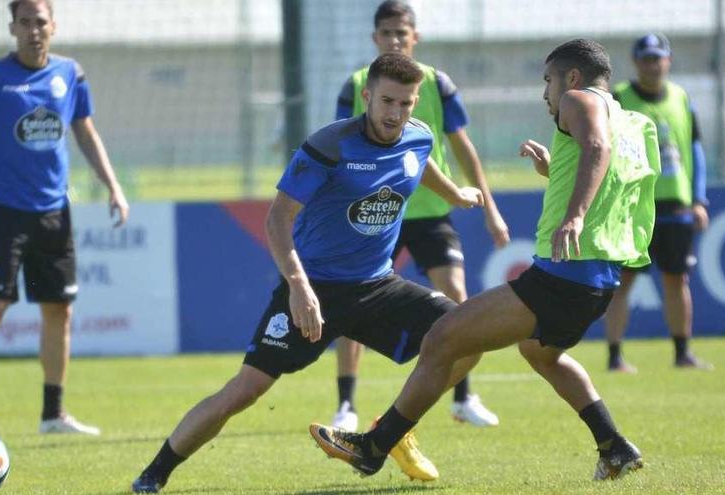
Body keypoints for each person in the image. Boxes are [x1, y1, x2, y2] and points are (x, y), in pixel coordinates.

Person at [131, 53, 486, 493]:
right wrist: (299, 287)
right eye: (388, 101)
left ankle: (384, 435)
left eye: (406, 104)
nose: (396, 114)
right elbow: (277, 219)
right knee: (245, 391)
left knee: (468, 336)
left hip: (378, 284)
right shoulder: (330, 145)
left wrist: (456, 193)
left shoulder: (418, 136)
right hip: (313, 286)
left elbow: (421, 162)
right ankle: (154, 473)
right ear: (367, 95)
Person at [311, 39, 659, 481]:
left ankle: (374, 447)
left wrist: (573, 215)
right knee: (541, 353)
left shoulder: (577, 99)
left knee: (442, 337)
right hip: (599, 276)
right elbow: (609, 172)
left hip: (566, 272)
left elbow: (595, 150)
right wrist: (557, 168)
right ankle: (614, 447)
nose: (546, 93)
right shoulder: (630, 120)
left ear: (571, 78)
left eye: (547, 81)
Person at [0, 0, 129, 436]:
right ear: (13, 28)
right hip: (6, 214)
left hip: (54, 215)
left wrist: (113, 187)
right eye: (24, 23)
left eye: (40, 22)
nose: (33, 30)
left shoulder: (70, 75)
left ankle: (53, 415)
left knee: (59, 312)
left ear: (53, 26)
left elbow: (86, 132)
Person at [331, 0, 508, 433]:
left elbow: (462, 146)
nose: (395, 39)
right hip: (374, 213)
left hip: (430, 210)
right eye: (387, 33)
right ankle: (347, 406)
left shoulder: (437, 83)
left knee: (457, 297)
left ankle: (463, 397)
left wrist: (491, 209)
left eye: (402, 32)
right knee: (353, 307)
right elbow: (340, 147)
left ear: (416, 36)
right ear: (376, 39)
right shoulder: (356, 84)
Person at [604, 33, 712, 373]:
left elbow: (695, 151)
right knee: (624, 282)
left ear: (668, 60)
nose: (653, 65)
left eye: (658, 58)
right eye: (647, 59)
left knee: (676, 279)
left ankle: (682, 352)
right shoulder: (618, 97)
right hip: (633, 205)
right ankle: (615, 356)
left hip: (676, 205)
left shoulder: (681, 98)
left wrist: (699, 198)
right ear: (636, 62)